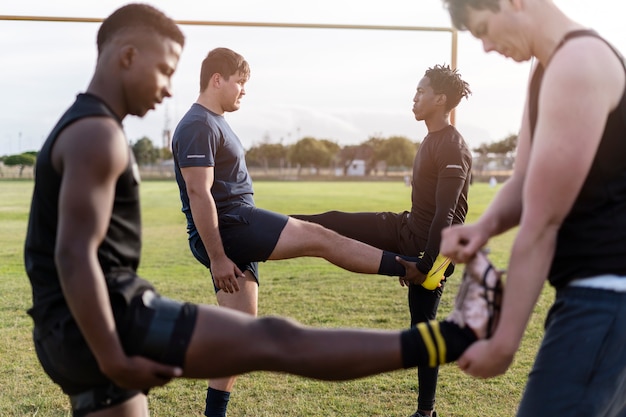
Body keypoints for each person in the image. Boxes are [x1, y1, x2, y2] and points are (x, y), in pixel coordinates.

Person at [23, 4, 500, 417]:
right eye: (165, 70)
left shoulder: (87, 127)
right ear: (127, 56)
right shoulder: (99, 135)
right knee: (279, 333)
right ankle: (448, 335)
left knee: (245, 336)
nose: (169, 88)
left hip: (80, 330)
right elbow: (74, 257)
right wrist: (113, 353)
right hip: (110, 324)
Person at [170, 47, 430, 416]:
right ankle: (405, 267)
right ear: (217, 79)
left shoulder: (213, 121)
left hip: (234, 229)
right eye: (240, 83)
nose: (244, 91)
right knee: (319, 235)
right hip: (230, 228)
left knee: (240, 338)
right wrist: (217, 257)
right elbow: (199, 192)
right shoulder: (197, 124)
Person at [438, 0, 626, 416]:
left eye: (484, 28)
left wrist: (503, 345)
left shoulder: (579, 64)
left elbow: (543, 223)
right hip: (599, 296)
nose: (485, 47)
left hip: (607, 299)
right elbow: (524, 181)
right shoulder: (550, 66)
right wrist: (485, 226)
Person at [293, 64, 473, 417]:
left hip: (427, 249)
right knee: (334, 222)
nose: (414, 97)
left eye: (421, 92)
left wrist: (423, 266)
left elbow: (447, 215)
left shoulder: (452, 146)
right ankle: (263, 224)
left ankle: (426, 412)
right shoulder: (432, 138)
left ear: (440, 99)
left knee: (423, 333)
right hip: (408, 230)